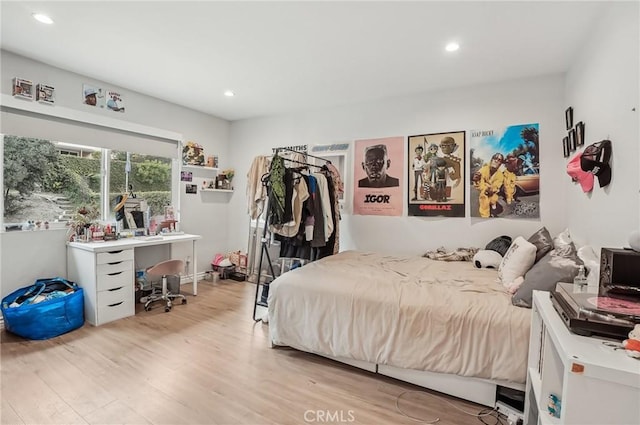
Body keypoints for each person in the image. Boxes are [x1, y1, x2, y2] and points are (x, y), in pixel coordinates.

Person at [472, 152, 505, 217]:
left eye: (499, 160)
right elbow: (479, 185)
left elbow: (496, 186)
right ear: (491, 160)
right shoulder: (483, 169)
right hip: (484, 190)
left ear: (500, 164)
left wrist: (492, 189)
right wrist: (476, 181)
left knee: (493, 199)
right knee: (484, 196)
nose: (496, 161)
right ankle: (485, 216)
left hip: (492, 191)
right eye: (495, 158)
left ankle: (493, 207)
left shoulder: (500, 175)